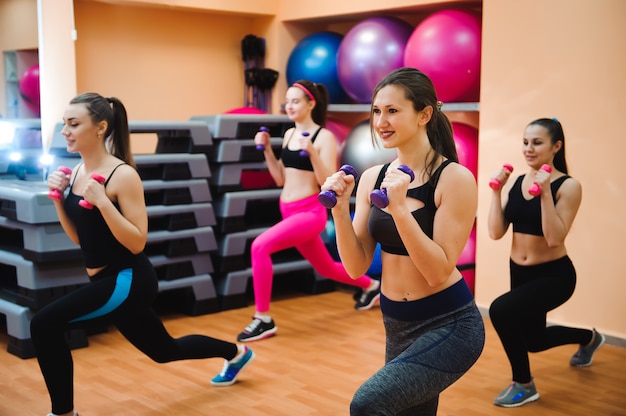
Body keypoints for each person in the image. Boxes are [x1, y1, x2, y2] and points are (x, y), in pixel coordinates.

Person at [32, 93, 254, 416]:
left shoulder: (122, 175)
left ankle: (63, 413)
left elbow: (137, 242)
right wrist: (58, 200)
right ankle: (236, 353)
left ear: (100, 128)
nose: (65, 130)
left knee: (43, 325)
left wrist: (104, 202)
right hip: (105, 280)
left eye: (73, 123)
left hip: (128, 279)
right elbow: (81, 238)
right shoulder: (78, 172)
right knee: (165, 350)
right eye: (65, 123)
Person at [321, 67, 485, 415]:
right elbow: (356, 267)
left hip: (450, 325)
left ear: (425, 114)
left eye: (393, 111)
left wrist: (399, 210)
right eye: (377, 111)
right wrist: (339, 209)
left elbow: (439, 272)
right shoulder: (371, 177)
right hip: (397, 324)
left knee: (368, 404)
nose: (381, 121)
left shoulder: (453, 178)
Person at [237, 80, 381, 342]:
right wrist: (268, 149)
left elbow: (329, 180)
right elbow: (280, 178)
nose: (289, 106)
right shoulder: (290, 134)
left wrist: (313, 153)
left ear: (310, 104)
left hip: (309, 213)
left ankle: (263, 319)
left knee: (259, 247)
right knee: (325, 267)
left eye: (295, 101)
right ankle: (371, 286)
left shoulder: (323, 137)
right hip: (287, 209)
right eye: (287, 102)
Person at [487, 117, 605, 408]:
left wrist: (545, 194)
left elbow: (554, 238)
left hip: (554, 276)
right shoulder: (517, 182)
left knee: (500, 310)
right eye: (525, 142)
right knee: (534, 341)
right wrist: (496, 191)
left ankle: (524, 385)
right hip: (520, 273)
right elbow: (495, 232)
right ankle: (590, 338)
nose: (528, 149)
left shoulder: (568, 185)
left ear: (556, 146)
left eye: (537, 143)